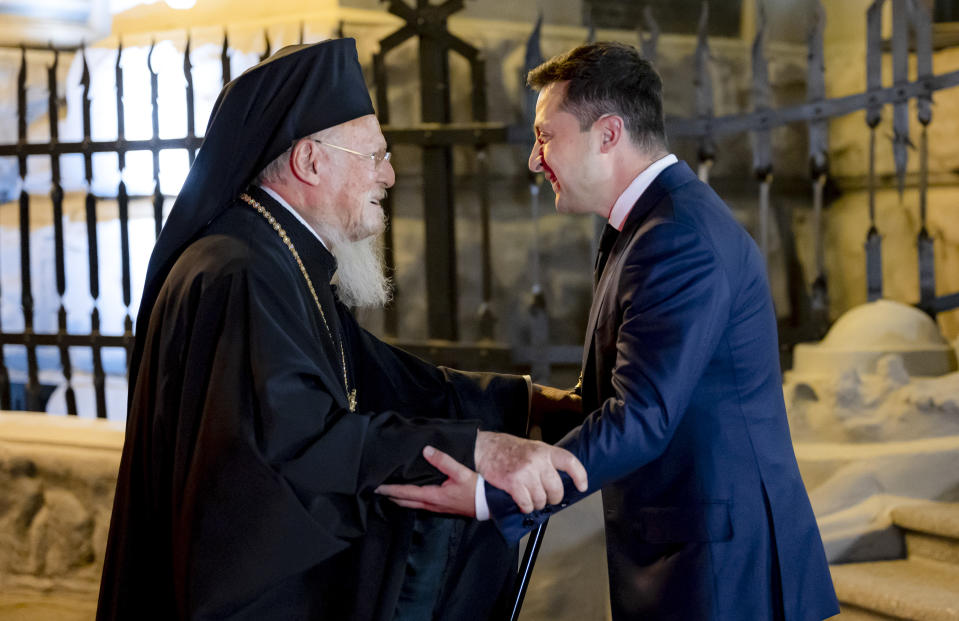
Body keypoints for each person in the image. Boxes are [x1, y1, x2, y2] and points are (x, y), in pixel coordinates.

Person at [96, 39, 586, 621]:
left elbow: (377, 376)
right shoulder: (241, 272)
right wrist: (476, 449)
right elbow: (294, 440)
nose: (391, 174)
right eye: (375, 156)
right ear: (311, 160)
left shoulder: (275, 252)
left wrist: (526, 402)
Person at [378, 42, 840, 620]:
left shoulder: (676, 238)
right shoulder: (648, 225)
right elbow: (616, 402)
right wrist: (501, 422)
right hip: (695, 552)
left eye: (546, 134)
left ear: (608, 133)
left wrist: (495, 498)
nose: (533, 158)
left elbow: (640, 418)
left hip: (721, 572)